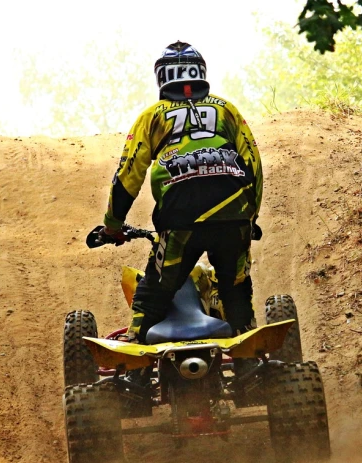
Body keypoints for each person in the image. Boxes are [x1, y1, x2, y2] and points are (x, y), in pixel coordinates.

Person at [100, 41, 263, 346]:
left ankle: (135, 351)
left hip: (180, 220)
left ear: (162, 77)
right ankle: (250, 357)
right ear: (200, 72)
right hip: (234, 214)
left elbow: (129, 172)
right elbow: (253, 163)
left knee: (154, 292)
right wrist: (250, 216)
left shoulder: (154, 116)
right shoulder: (226, 110)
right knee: (236, 287)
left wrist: (113, 224)